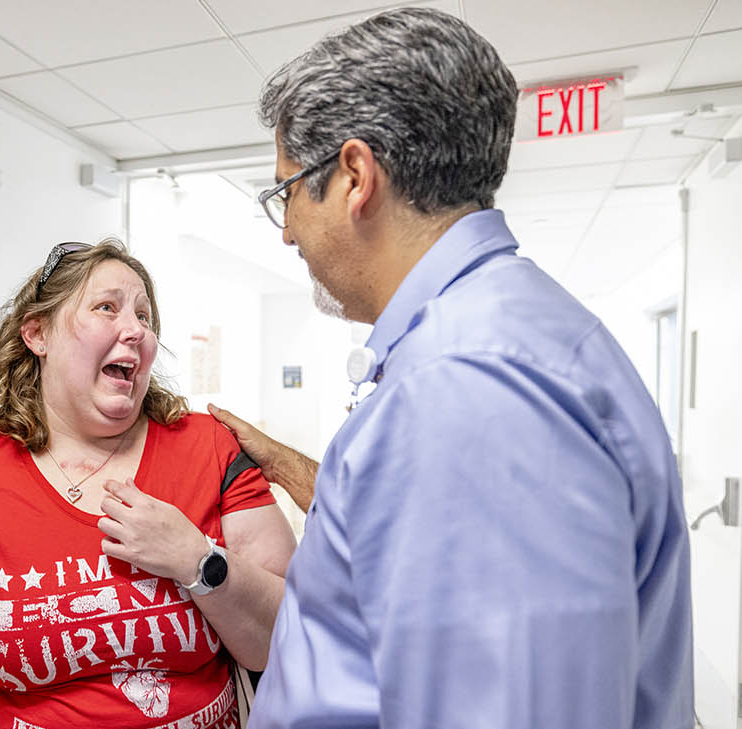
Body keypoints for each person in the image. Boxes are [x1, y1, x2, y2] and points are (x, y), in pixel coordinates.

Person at [241, 8, 692, 729]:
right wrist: (298, 472)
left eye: (286, 191)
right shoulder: (494, 340)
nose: (288, 229)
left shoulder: (470, 388)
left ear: (355, 176)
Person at [0, 239, 297, 728]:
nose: (135, 330)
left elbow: (282, 640)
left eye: (144, 316)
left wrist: (197, 560)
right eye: (106, 308)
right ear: (37, 334)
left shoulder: (207, 449)